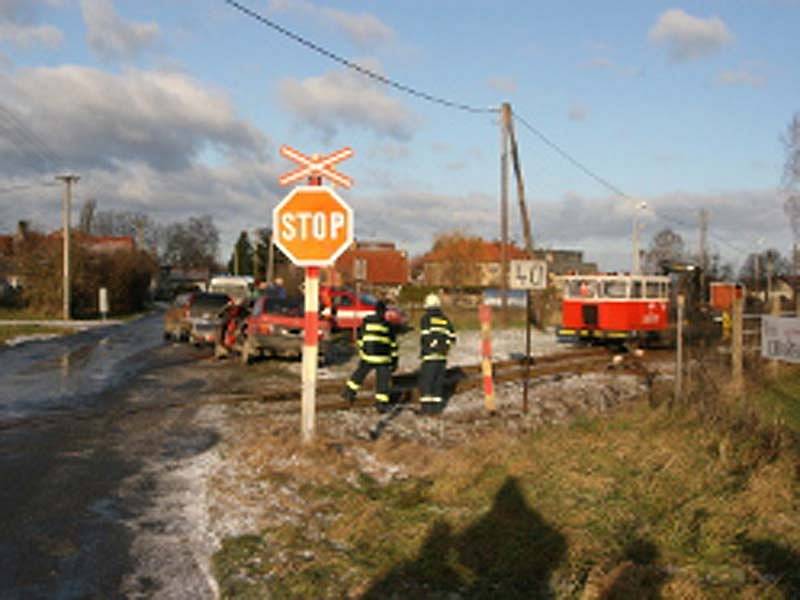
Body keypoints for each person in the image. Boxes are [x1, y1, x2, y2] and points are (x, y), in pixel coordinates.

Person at [343, 300, 398, 413]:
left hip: (368, 355)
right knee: (383, 380)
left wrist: (363, 351)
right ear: (384, 312)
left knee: (360, 373)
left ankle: (348, 392)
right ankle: (381, 404)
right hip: (383, 358)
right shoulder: (388, 325)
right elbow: (393, 345)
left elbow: (360, 338)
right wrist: (394, 361)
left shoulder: (367, 321)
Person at [418, 293, 456, 414]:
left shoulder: (425, 319)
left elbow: (425, 338)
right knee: (438, 382)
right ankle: (437, 409)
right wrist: (445, 347)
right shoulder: (445, 320)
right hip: (442, 356)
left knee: (427, 381)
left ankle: (426, 409)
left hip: (430, 356)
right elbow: (453, 337)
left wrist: (426, 350)